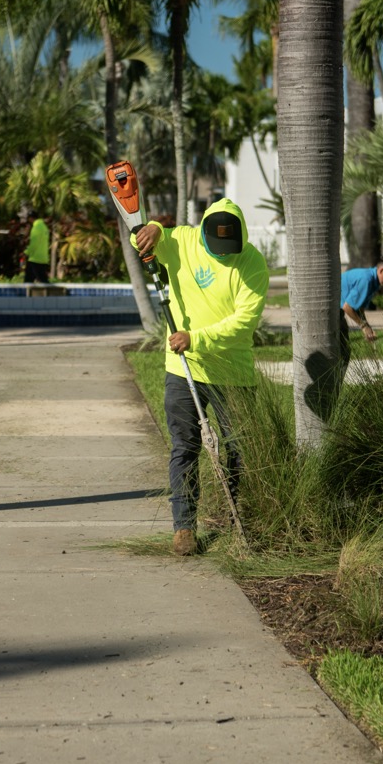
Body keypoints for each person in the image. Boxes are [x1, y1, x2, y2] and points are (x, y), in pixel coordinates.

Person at [132, 198, 268, 556]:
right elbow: (143, 241)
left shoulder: (252, 263)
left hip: (232, 371)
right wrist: (154, 229)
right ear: (202, 234)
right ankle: (184, 528)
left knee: (239, 450)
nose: (222, 255)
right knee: (185, 447)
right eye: (215, 248)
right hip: (182, 366)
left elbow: (243, 324)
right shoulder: (183, 240)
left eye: (228, 249)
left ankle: (241, 519)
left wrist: (197, 338)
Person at [339, 256, 383, 366]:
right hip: (331, 311)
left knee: (343, 353)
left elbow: (359, 308)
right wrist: (364, 326)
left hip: (338, 313)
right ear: (382, 270)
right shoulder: (366, 280)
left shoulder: (373, 281)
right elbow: (347, 307)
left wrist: (367, 327)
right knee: (342, 354)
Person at [24, 218, 50, 283]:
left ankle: (55, 292)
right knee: (43, 280)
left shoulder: (36, 228)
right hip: (43, 258)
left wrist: (26, 252)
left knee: (28, 281)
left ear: (31, 218)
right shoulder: (44, 227)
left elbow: (34, 244)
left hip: (35, 259)